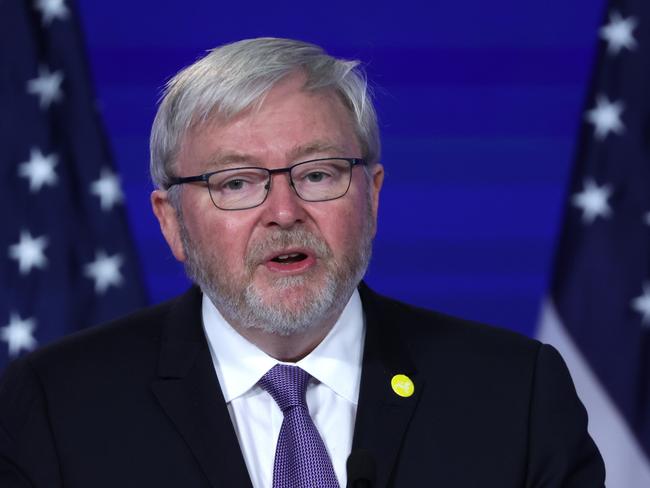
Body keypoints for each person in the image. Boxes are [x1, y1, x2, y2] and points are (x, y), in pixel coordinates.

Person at [0, 38, 604, 487]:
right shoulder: (57, 407)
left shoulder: (514, 394)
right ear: (171, 222)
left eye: (317, 174)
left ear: (372, 197)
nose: (284, 212)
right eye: (236, 184)